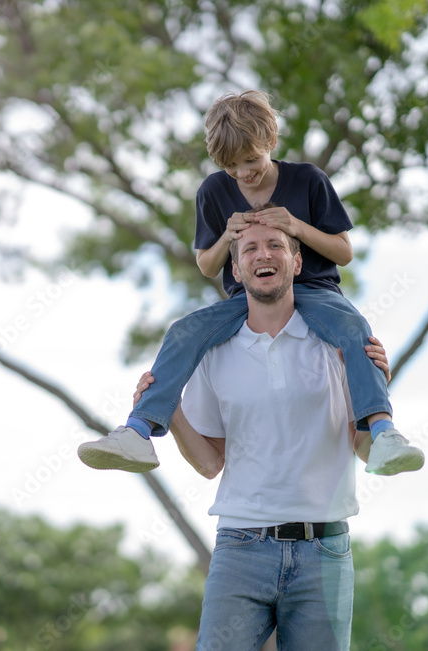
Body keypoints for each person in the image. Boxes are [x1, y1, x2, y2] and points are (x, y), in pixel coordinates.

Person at [78, 90, 423, 476]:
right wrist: (227, 237)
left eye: (251, 160)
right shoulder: (213, 191)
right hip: (248, 296)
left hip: (315, 290)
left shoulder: (308, 180)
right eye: (231, 166)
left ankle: (383, 432)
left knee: (355, 328)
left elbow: (343, 251)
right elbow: (208, 265)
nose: (243, 172)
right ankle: (138, 431)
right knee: (181, 332)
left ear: (270, 142)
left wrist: (294, 226)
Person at [157, 218, 367, 649]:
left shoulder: (337, 344)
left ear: (297, 260)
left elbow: (363, 446)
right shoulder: (213, 352)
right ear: (236, 270)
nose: (263, 254)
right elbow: (210, 462)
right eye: (249, 249)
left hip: (324, 550)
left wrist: (373, 379)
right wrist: (172, 412)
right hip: (240, 547)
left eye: (275, 244)